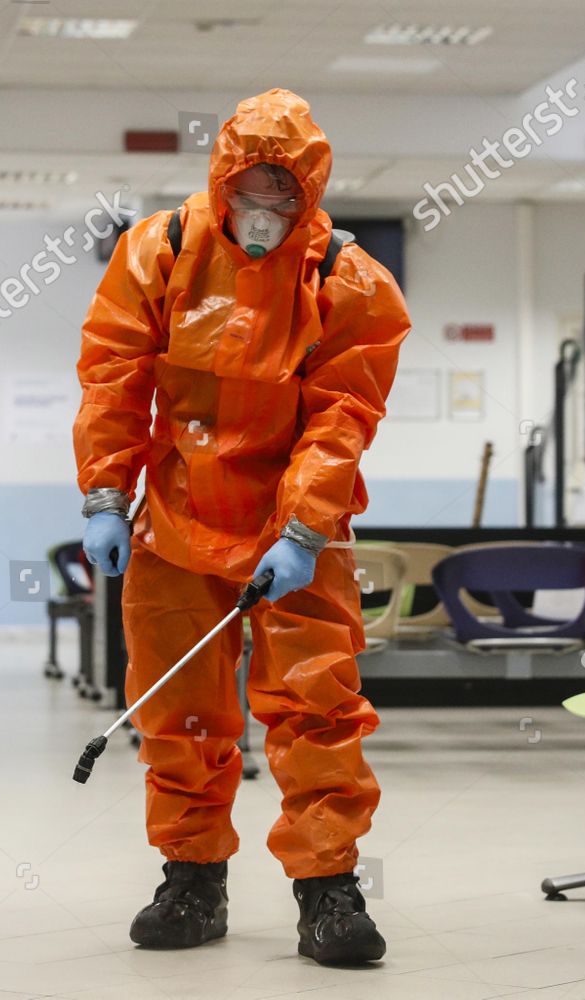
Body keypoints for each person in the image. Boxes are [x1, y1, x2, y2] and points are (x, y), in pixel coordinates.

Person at [73, 89, 410, 965]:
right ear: (221, 183)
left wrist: (302, 528)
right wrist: (106, 496)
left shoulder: (347, 279)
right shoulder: (160, 251)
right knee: (181, 713)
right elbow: (113, 376)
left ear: (310, 194)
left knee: (318, 706)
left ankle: (329, 891)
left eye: (282, 199)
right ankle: (192, 881)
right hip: (175, 523)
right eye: (248, 196)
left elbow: (342, 414)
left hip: (295, 532)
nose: (262, 216)